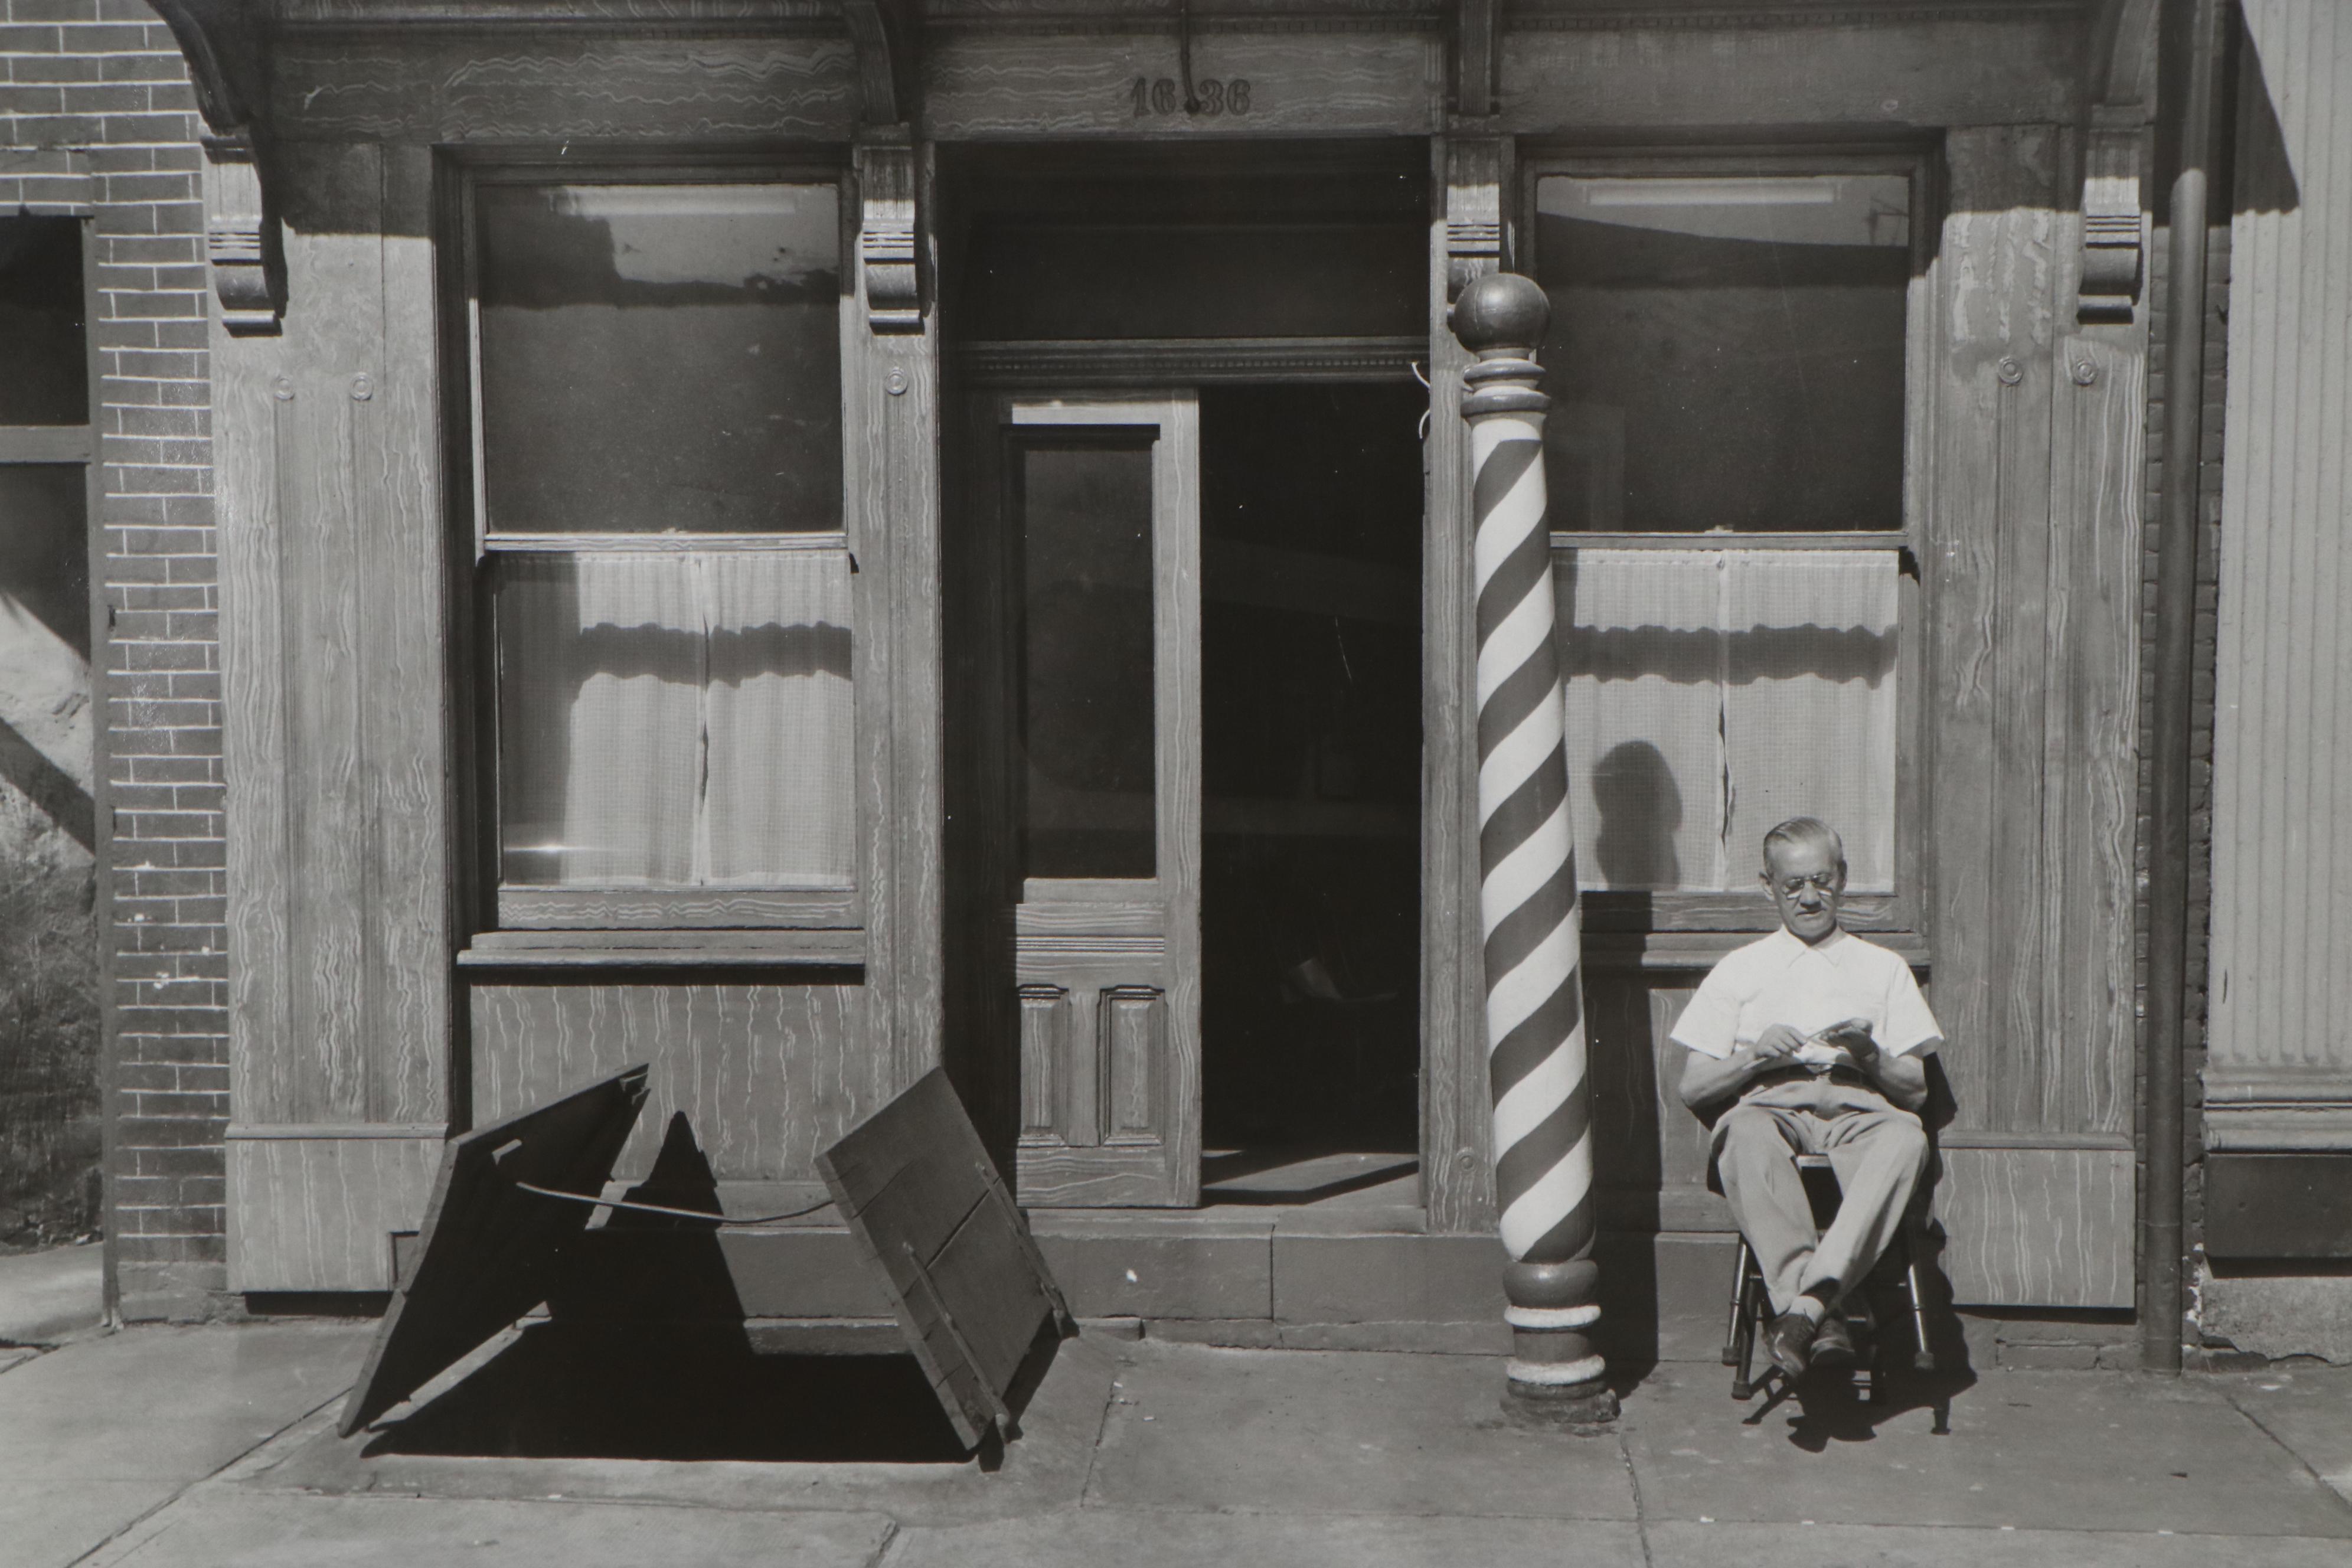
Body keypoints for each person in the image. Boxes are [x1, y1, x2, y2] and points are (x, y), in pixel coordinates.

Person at [1671, 816, 1939, 1379]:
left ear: (1843, 879)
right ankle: (1825, 1309)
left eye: (1822, 880)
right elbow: (1694, 1088)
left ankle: (1802, 1311)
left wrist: (1869, 1053)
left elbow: (1915, 1092)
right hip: (1772, 1102)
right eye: (1793, 886)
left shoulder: (1883, 968)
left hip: (1862, 1105)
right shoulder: (1741, 968)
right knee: (1741, 1133)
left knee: (1906, 1139)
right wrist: (1753, 1058)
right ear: (1767, 886)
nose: (1810, 898)